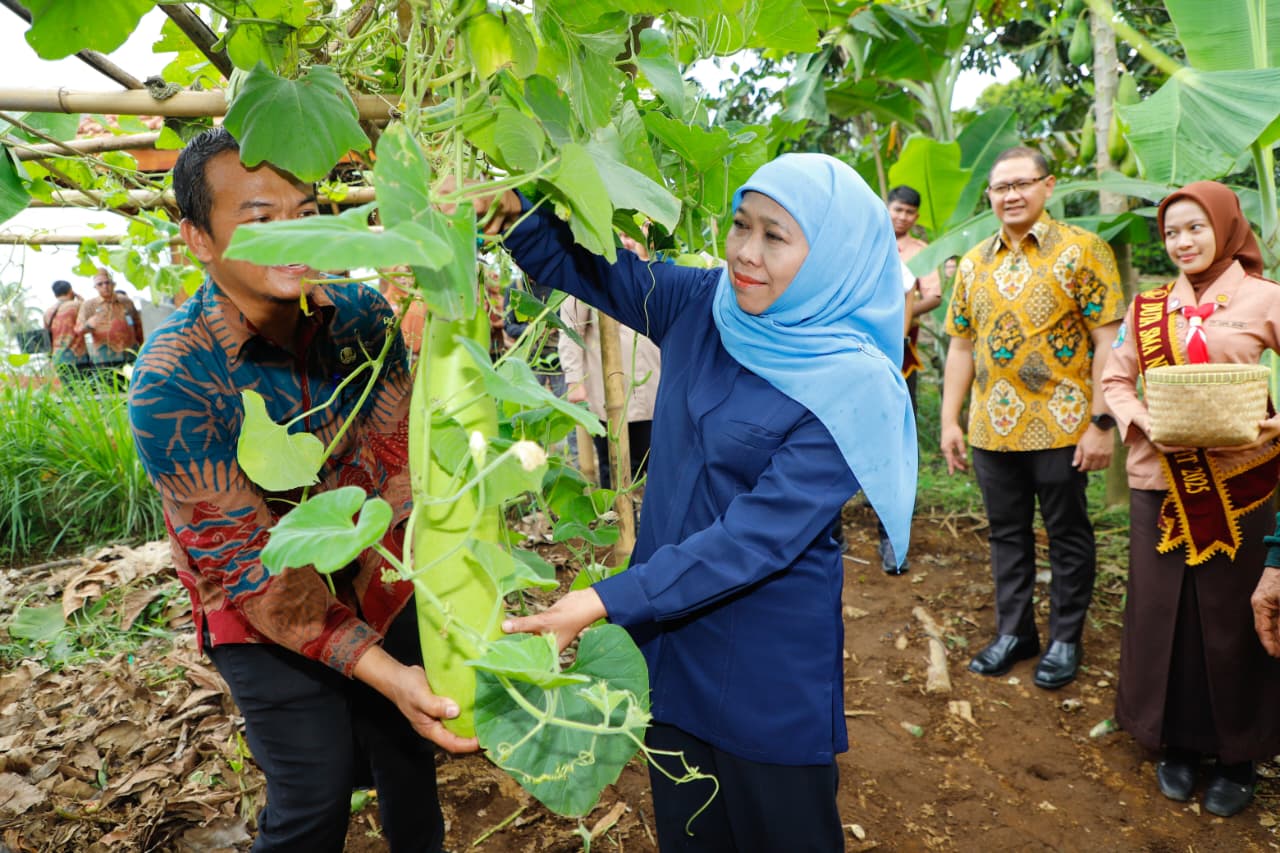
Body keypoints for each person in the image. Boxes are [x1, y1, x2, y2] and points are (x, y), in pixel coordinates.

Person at [468, 153, 916, 850]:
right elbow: (593, 269)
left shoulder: (853, 383)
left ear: (832, 254)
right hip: (669, 642)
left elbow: (753, 538)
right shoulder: (704, 305)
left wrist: (603, 599)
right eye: (742, 225)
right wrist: (510, 210)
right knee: (690, 832)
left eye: (776, 236)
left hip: (768, 663)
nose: (746, 252)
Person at [127, 127, 474, 852]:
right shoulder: (172, 378)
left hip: (380, 576)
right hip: (261, 607)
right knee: (314, 792)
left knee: (410, 759)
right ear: (198, 238)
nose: (293, 234)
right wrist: (383, 669)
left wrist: (456, 591)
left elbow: (403, 471)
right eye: (258, 219)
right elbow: (252, 564)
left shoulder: (363, 318)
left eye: (307, 209)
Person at [1101, 181, 1280, 817]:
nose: (1182, 242)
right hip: (1160, 483)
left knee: (1230, 620)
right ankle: (1175, 742)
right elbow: (1116, 377)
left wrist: (1277, 424)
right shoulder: (1146, 308)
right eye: (1172, 231)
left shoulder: (1266, 299)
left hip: (1242, 486)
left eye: (1195, 228)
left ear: (1226, 227)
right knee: (1164, 616)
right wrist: (1140, 420)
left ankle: (1236, 753)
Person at [940, 146, 1125, 690]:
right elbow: (959, 347)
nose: (1011, 195)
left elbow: (1107, 342)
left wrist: (1101, 422)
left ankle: (1066, 637)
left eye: (1022, 184)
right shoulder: (974, 262)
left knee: (1067, 533)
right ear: (991, 196)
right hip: (991, 429)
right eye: (1001, 188)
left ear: (1048, 186)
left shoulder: (1082, 250)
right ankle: (1015, 631)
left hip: (1064, 425)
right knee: (1006, 534)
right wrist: (950, 420)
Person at [872, 186, 944, 574]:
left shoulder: (920, 253)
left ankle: (890, 532)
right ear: (887, 208)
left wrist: (903, 310)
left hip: (902, 354)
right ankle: (830, 529)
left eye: (910, 213)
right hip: (857, 354)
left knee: (897, 438)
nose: (903, 217)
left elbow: (930, 295)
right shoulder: (864, 240)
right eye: (897, 210)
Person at [558, 231, 662, 489]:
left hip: (654, 394)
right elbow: (570, 329)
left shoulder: (658, 273)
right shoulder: (589, 275)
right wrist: (574, 380)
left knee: (655, 468)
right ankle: (619, 524)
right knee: (614, 468)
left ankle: (646, 525)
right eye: (620, 234)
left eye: (632, 235)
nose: (626, 242)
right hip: (607, 396)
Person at [75, 268, 144, 379]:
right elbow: (78, 330)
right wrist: (89, 325)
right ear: (95, 287)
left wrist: (142, 349)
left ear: (114, 284)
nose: (105, 286)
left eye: (107, 282)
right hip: (105, 359)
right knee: (110, 392)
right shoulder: (89, 305)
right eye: (100, 284)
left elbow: (138, 326)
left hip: (130, 355)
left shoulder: (126, 302)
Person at [43, 279, 88, 377]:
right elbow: (88, 321)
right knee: (86, 389)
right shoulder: (78, 305)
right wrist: (82, 301)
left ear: (55, 295)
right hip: (78, 356)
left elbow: (46, 339)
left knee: (69, 390)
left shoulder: (47, 313)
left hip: (58, 359)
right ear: (71, 291)